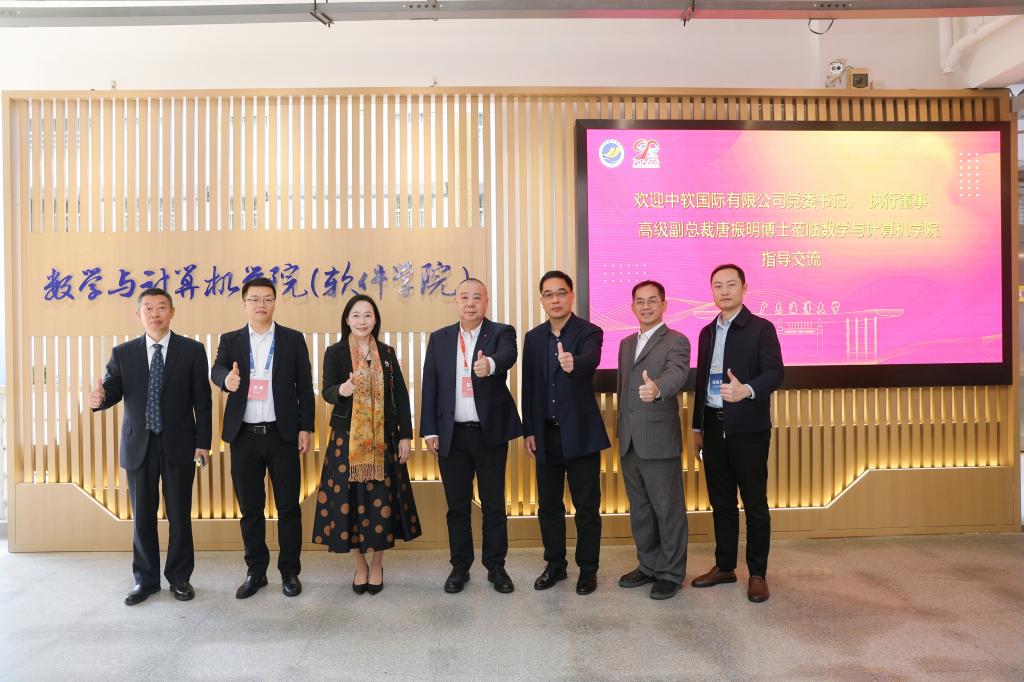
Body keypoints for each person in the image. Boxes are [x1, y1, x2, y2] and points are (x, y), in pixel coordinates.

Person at [89, 288, 211, 606]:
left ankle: (180, 578)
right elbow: (112, 389)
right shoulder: (123, 353)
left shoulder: (193, 350)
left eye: (161, 307)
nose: (155, 313)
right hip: (138, 445)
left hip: (180, 444)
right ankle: (145, 580)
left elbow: (203, 400)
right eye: (148, 308)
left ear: (172, 312)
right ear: (138, 314)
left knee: (179, 515)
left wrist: (203, 443)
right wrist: (100, 399)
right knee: (142, 515)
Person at [211, 277, 315, 600]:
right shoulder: (230, 340)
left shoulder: (292, 339)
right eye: (254, 299)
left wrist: (306, 427)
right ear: (244, 304)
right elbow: (217, 369)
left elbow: (304, 387)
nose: (261, 304)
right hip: (244, 436)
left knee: (288, 507)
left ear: (274, 303)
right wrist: (226, 380)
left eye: (267, 298)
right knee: (251, 509)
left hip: (282, 435)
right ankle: (256, 571)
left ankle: (289, 571)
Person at [420, 278, 523, 594]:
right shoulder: (440, 338)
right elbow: (430, 385)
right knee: (457, 506)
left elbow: (507, 356)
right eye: (464, 297)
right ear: (456, 301)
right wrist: (429, 430)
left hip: (489, 435)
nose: (470, 303)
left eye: (476, 297)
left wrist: (490, 364)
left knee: (494, 505)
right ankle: (460, 567)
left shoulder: (501, 332)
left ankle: (496, 567)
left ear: (486, 301)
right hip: (452, 436)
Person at [312, 295, 421, 594]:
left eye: (368, 315)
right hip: (346, 441)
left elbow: (401, 396)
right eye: (356, 315)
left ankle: (377, 565)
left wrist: (405, 435)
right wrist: (343, 389)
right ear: (347, 320)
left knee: (381, 503)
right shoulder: (334, 352)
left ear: (375, 320)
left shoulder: (386, 353)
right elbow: (327, 390)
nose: (362, 321)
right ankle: (360, 565)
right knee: (348, 503)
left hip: (383, 440)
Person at [690, 264, 783, 603]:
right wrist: (697, 427)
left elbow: (775, 372)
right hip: (713, 425)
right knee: (721, 502)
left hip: (748, 429)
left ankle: (757, 573)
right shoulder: (706, 332)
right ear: (712, 290)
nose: (725, 291)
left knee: (754, 503)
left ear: (744, 288)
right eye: (718, 285)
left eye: (731, 284)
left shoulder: (761, 328)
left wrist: (748, 390)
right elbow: (701, 382)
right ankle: (725, 566)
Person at [521, 270, 610, 596]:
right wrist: (529, 430)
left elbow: (591, 359)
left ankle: (588, 569)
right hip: (545, 434)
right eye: (549, 294)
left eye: (561, 293)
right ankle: (555, 565)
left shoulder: (589, 331)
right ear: (542, 300)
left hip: (581, 434)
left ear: (571, 296)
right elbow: (529, 386)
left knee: (586, 507)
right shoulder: (533, 338)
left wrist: (575, 363)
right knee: (548, 506)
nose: (555, 299)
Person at [615, 280, 691, 600]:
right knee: (641, 510)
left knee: (667, 510)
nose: (645, 306)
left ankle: (670, 573)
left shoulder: (676, 340)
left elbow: (678, 374)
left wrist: (658, 388)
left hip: (658, 440)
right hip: (630, 440)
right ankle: (648, 565)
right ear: (632, 306)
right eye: (639, 301)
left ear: (664, 304)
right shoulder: (625, 344)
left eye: (652, 300)